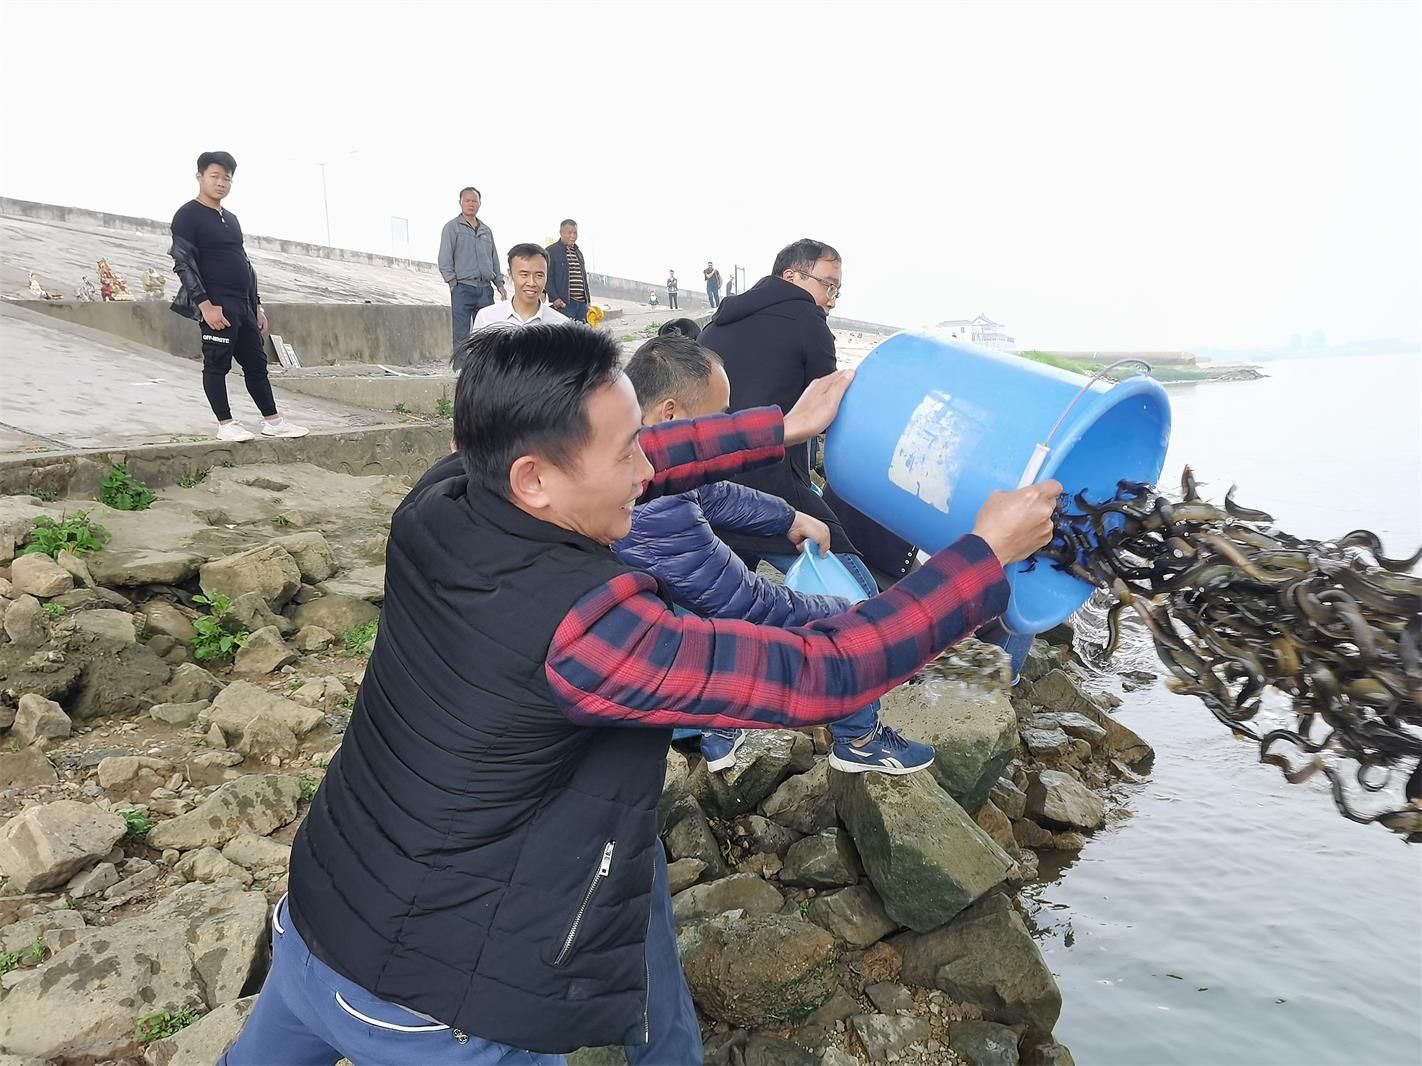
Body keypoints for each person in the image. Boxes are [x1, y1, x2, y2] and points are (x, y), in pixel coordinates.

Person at [221, 323, 1059, 1064]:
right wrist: (981, 558)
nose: (647, 467)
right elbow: (824, 671)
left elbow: (648, 461)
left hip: (320, 911)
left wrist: (784, 426)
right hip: (435, 1010)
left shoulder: (441, 498)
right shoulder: (585, 631)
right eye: (627, 453)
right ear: (536, 482)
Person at [615, 333, 939, 775]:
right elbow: (748, 603)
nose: (725, 432)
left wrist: (789, 518)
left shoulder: (628, 456)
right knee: (829, 625)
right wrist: (849, 614)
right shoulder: (655, 513)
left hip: (635, 647)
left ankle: (716, 728)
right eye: (718, 420)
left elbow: (712, 494)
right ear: (670, 415)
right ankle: (859, 739)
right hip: (618, 680)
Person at [168, 151, 308, 442]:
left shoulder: (230, 219)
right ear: (200, 177)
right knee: (217, 364)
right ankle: (226, 425)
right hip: (216, 303)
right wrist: (205, 305)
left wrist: (256, 305)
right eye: (214, 176)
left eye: (227, 178)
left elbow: (243, 261)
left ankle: (273, 421)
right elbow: (183, 261)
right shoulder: (187, 215)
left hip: (243, 304)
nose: (221, 183)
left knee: (256, 365)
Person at [438, 186, 508, 354]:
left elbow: (494, 258)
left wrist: (499, 283)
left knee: (487, 332)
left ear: (480, 203)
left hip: (485, 289)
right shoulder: (452, 227)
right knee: (461, 333)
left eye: (474, 200)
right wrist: (453, 283)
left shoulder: (486, 230)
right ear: (460, 203)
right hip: (462, 288)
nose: (471, 204)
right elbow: (444, 258)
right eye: (467, 200)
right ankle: (460, 370)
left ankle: (485, 368)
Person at [462, 244, 568, 349]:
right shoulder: (487, 318)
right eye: (524, 275)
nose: (531, 283)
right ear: (510, 274)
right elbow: (477, 363)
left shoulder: (561, 325)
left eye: (539, 275)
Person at [546, 219, 592, 323]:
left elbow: (583, 279)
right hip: (565, 305)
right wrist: (555, 298)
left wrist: (588, 302)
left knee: (582, 336)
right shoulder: (551, 251)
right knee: (565, 336)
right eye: (569, 232)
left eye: (575, 233)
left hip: (581, 305)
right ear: (561, 233)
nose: (573, 236)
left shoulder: (578, 252)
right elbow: (547, 278)